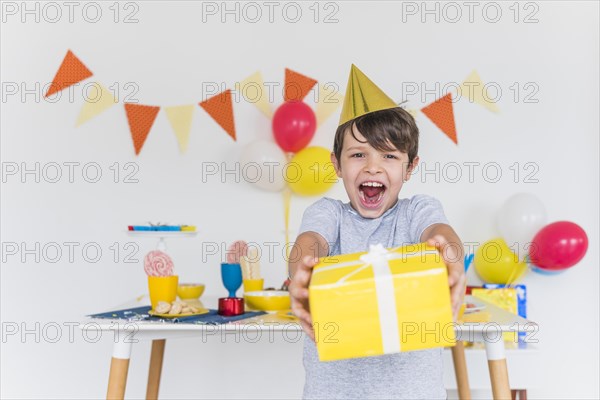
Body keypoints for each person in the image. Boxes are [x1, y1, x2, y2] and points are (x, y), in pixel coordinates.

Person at [288, 65, 466, 399]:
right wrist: (301, 269)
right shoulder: (328, 214)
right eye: (358, 155)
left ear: (410, 166)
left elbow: (440, 231)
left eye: (388, 155)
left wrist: (451, 256)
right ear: (337, 165)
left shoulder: (416, 212)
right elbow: (309, 243)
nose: (372, 167)